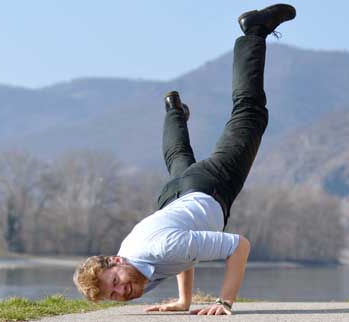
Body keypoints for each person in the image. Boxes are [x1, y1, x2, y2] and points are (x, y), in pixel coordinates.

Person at [73, 4, 296, 316]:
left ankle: (254, 31)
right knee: (178, 157)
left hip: (209, 186)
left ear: (117, 262)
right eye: (114, 295)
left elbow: (238, 246)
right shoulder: (137, 259)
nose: (122, 292)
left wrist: (224, 302)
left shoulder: (157, 249)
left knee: (250, 112)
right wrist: (184, 302)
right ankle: (174, 112)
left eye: (115, 282)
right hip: (174, 197)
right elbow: (184, 253)